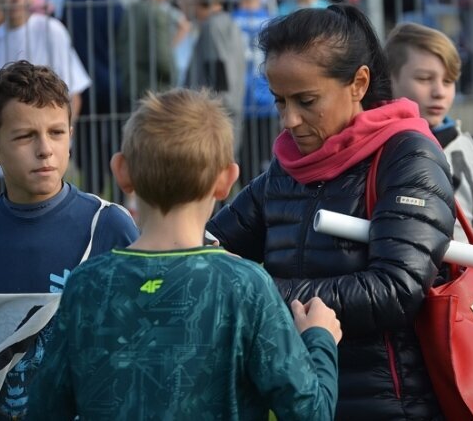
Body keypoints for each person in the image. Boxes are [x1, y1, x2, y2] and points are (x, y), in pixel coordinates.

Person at [26, 87, 342, 419]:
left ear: (121, 172)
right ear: (226, 181)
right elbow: (310, 413)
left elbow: (45, 410)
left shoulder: (86, 285)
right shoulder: (245, 286)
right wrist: (319, 338)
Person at [207, 4, 456, 420]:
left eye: (306, 100)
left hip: (391, 406)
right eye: (279, 100)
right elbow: (213, 243)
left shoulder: (408, 156)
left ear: (358, 83)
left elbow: (396, 289)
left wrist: (260, 291)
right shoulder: (286, 168)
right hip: (305, 401)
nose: (289, 119)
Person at [0, 61, 139, 421]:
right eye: (25, 136)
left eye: (57, 132)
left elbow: (140, 340)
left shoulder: (109, 226)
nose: (45, 149)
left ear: (71, 138)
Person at [386, 22, 473, 276]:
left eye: (448, 81)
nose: (439, 92)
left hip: (471, 298)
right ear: (389, 79)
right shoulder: (377, 148)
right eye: (424, 79)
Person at [0, 0, 91, 198]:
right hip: (9, 149)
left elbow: (73, 93)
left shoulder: (51, 30)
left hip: (42, 152)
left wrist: (60, 138)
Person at [62, 0, 127, 196]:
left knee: (89, 154)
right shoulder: (113, 6)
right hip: (111, 87)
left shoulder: (70, 4)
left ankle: (92, 202)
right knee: (118, 150)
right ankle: (121, 207)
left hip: (82, 89)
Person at [175, 0, 246, 153]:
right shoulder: (226, 23)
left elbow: (219, 85)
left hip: (214, 130)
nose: (179, 3)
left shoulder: (212, 28)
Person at [230, 0, 278, 184]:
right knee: (266, 165)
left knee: (242, 164)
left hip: (239, 100)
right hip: (267, 99)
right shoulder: (272, 22)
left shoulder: (231, 22)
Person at [117, 0, 181, 108]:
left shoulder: (131, 10)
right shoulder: (158, 13)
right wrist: (174, 75)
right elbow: (163, 59)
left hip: (131, 89)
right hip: (155, 94)